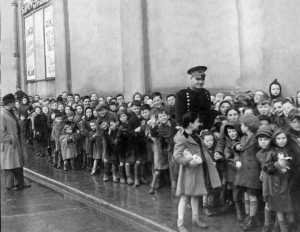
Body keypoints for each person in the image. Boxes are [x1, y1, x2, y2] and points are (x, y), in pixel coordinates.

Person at [173, 112, 221, 232]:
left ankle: (195, 219)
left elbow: (201, 150)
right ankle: (180, 223)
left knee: (196, 195)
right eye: (197, 121)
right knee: (185, 197)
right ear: (190, 123)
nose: (199, 123)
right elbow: (177, 156)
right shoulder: (182, 137)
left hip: (198, 170)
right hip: (189, 171)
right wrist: (189, 160)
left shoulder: (193, 134)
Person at [0, 93, 30, 191]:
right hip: (9, 145)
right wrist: (12, 139)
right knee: (10, 167)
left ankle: (20, 183)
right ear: (9, 103)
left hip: (16, 144)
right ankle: (10, 185)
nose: (16, 103)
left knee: (18, 164)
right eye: (14, 102)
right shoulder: (2, 114)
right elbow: (1, 133)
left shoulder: (12, 112)